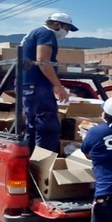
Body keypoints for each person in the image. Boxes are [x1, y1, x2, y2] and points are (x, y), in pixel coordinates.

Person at [20, 12, 78, 153]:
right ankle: (44, 166)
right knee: (47, 128)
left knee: (33, 127)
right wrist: (57, 86)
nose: (67, 33)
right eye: (67, 28)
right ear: (57, 24)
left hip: (29, 86)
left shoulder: (35, 33)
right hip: (37, 86)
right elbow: (43, 62)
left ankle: (31, 162)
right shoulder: (46, 34)